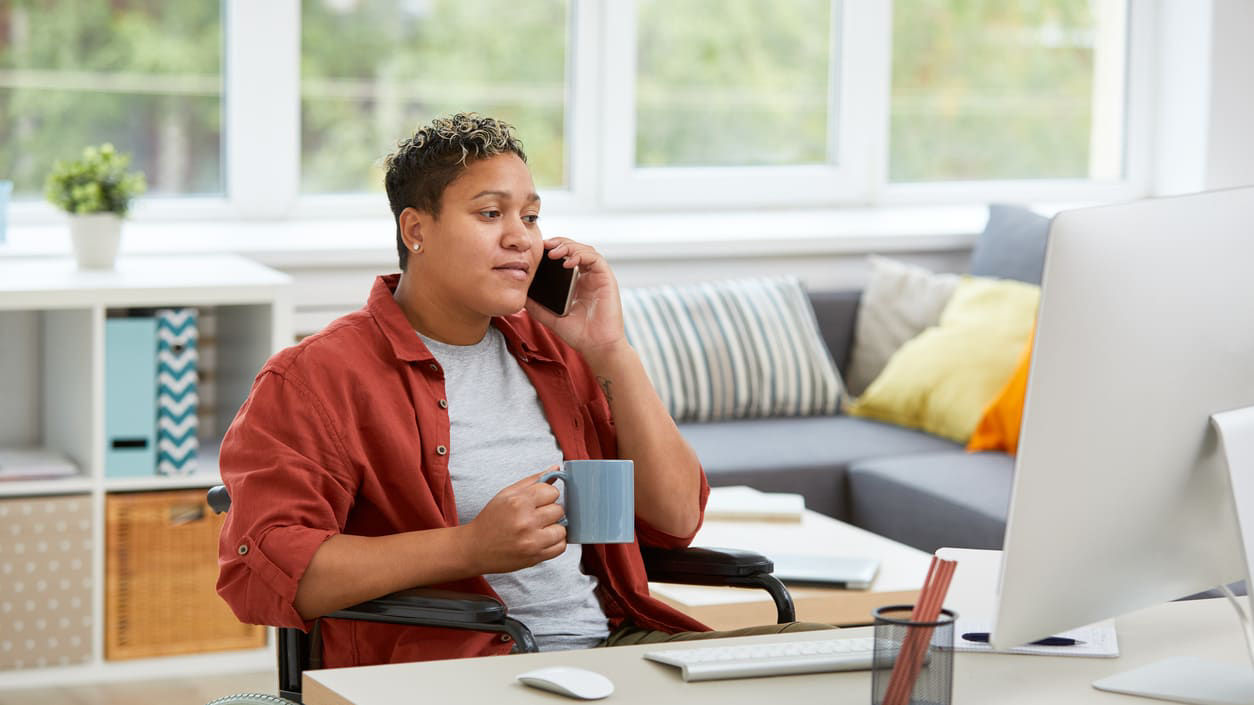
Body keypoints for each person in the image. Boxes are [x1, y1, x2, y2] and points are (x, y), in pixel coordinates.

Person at [216, 113, 828, 668]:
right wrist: (469, 548)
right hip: (462, 667)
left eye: (530, 217)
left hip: (612, 649)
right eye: (490, 214)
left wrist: (609, 348)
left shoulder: (553, 351)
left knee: (845, 664)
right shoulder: (314, 378)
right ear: (415, 229)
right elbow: (267, 570)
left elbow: (675, 517)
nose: (521, 238)